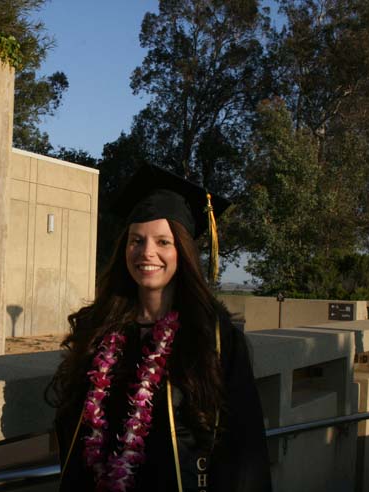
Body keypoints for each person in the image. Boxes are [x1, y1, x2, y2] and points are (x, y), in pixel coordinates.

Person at [47, 165, 272, 492]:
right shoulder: (100, 331)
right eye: (136, 240)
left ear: (182, 251)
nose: (147, 252)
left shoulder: (215, 339)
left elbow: (243, 448)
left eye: (163, 241)